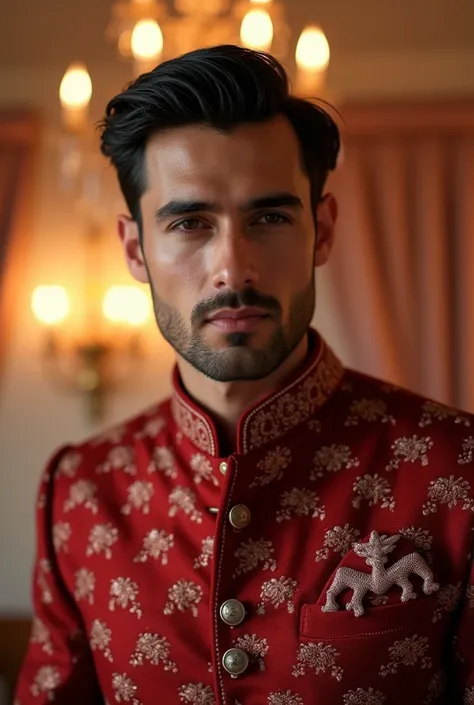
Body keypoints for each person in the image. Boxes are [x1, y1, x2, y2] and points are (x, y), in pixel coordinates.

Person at [15, 45, 474, 705]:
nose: (232, 267)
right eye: (191, 223)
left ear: (321, 230)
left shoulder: (455, 465)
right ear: (135, 250)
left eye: (268, 217)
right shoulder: (80, 490)